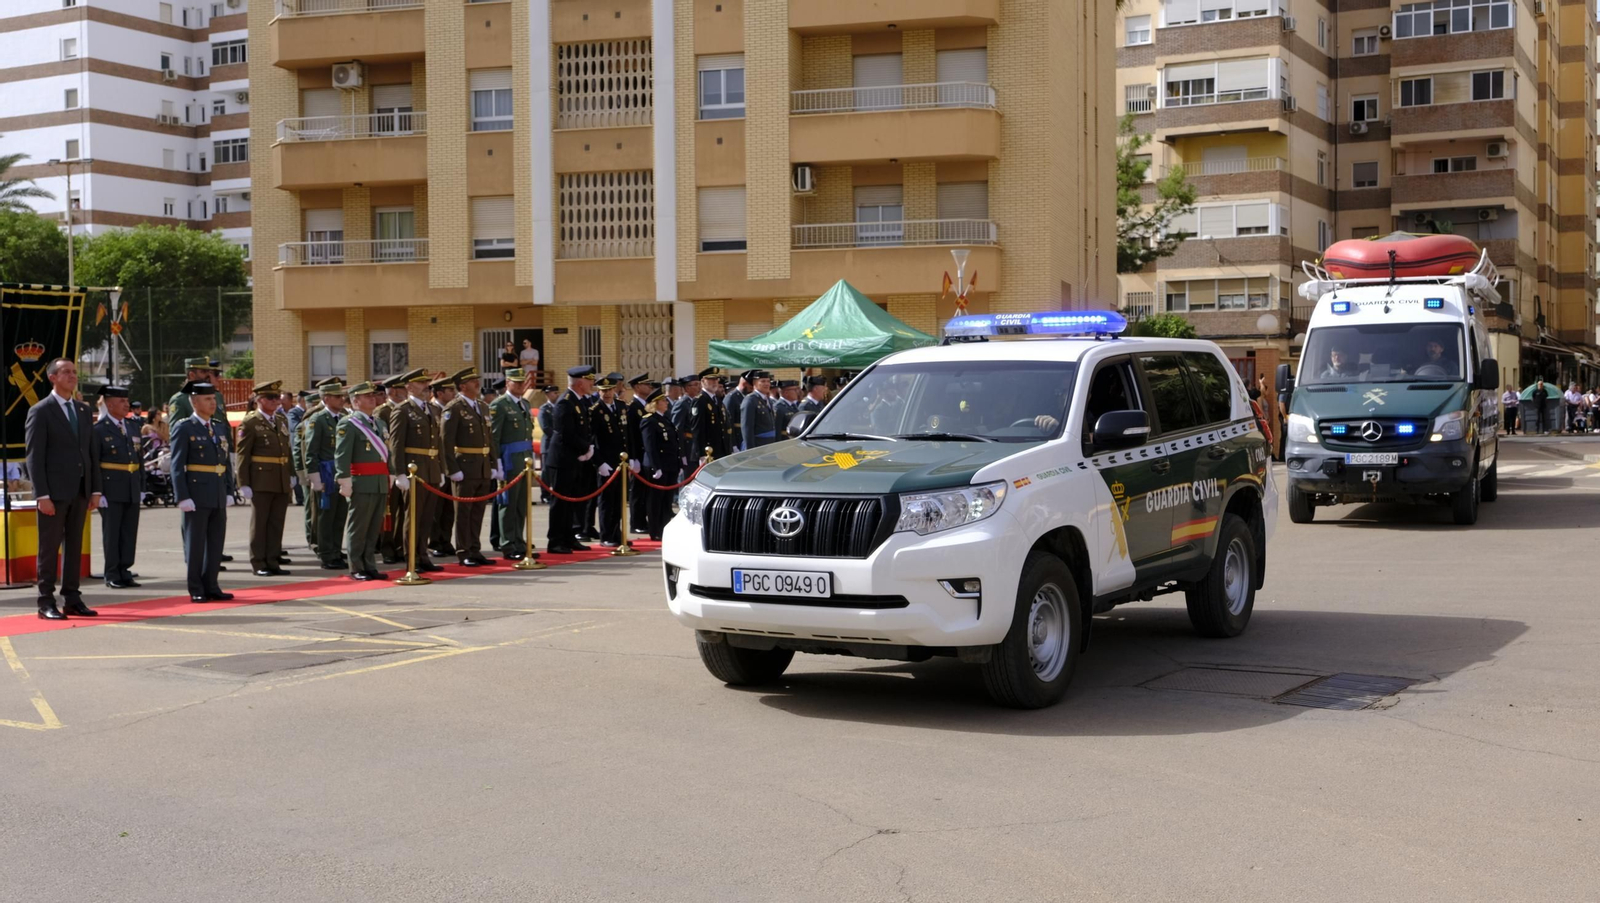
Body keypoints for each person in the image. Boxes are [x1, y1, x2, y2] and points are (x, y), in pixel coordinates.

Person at [24, 359, 101, 619]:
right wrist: (41, 495)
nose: (72, 376)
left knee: (74, 546)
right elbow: (35, 456)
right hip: (53, 493)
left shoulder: (81, 409)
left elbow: (91, 453)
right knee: (49, 548)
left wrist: (95, 489)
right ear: (52, 378)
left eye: (74, 372)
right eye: (65, 372)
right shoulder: (41, 410)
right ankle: (46, 601)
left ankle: (72, 598)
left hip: (80, 489)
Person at [171, 380, 235, 603]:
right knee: (196, 544)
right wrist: (182, 496)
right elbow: (177, 465)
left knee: (216, 543)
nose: (212, 403)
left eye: (214, 399)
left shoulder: (218, 426)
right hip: (196, 494)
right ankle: (196, 587)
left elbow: (225, 461)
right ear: (195, 402)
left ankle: (212, 584)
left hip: (217, 491)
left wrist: (229, 489)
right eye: (207, 399)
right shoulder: (184, 427)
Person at [336, 381, 397, 580]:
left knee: (373, 527)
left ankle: (369, 564)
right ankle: (356, 566)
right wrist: (344, 480)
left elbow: (388, 453)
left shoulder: (379, 423)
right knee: (359, 526)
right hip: (361, 481)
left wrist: (392, 473)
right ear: (355, 401)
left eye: (373, 395)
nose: (373, 398)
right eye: (367, 396)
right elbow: (342, 455)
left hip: (379, 481)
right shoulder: (348, 423)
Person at [387, 368, 444, 573]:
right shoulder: (402, 410)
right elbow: (396, 444)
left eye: (427, 383)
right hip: (414, 470)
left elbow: (439, 443)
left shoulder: (433, 410)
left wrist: (442, 469)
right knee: (413, 516)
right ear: (409, 387)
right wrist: (399, 472)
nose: (426, 386)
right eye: (421, 383)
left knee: (428, 516)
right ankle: (411, 556)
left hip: (431, 469)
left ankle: (422, 554)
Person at [442, 368, 499, 566]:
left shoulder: (482, 407)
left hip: (482, 466)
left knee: (477, 511)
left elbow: (489, 438)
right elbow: (445, 442)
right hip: (464, 466)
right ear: (463, 386)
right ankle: (463, 551)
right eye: (473, 381)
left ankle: (475, 549)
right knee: (464, 512)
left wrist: (493, 462)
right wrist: (452, 468)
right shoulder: (454, 408)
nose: (477, 383)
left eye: (477, 380)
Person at [235, 380, 293, 577]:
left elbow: (287, 449)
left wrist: (291, 473)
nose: (276, 401)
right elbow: (243, 454)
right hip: (260, 479)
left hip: (280, 478)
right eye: (271, 397)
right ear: (259, 400)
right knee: (260, 524)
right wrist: (243, 483)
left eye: (277, 397)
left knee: (276, 523)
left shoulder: (281, 420)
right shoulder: (250, 422)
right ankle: (259, 562)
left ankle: (272, 560)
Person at [95, 385, 143, 590]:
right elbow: (94, 463)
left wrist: (142, 486)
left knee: (129, 532)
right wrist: (98, 491)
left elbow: (138, 458)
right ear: (110, 403)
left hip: (131, 485)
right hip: (111, 488)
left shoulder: (132, 426)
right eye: (122, 401)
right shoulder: (99, 429)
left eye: (127, 401)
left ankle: (125, 570)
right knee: (112, 533)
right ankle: (112, 573)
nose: (126, 404)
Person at [546, 366, 596, 555]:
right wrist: (585, 448)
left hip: (575, 458)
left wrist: (588, 447)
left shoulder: (579, 400)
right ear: (580, 382)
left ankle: (568, 537)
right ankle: (555, 541)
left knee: (572, 501)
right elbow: (566, 433)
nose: (592, 384)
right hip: (563, 459)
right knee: (560, 502)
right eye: (589, 380)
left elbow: (584, 429)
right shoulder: (565, 402)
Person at [490, 367, 536, 561]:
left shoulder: (524, 403)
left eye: (522, 382)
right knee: (508, 503)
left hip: (524, 458)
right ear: (507, 383)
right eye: (515, 382)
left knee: (521, 503)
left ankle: (519, 539)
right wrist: (497, 463)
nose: (519, 386)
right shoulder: (499, 405)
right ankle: (508, 543)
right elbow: (494, 437)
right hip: (508, 459)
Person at [307, 381, 349, 570]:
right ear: (326, 398)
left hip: (340, 472)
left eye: (342, 396)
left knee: (340, 514)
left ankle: (335, 549)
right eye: (338, 396)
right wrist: (315, 478)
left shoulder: (343, 417)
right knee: (325, 516)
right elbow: (311, 451)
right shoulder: (318, 419)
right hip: (325, 472)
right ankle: (326, 553)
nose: (342, 400)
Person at [589, 374, 627, 548]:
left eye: (609, 390)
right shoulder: (595, 410)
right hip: (606, 462)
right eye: (603, 390)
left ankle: (616, 533)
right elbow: (593, 440)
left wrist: (631, 456)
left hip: (621, 461)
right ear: (598, 391)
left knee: (619, 500)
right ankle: (606, 535)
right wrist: (599, 463)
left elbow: (628, 435)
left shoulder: (621, 406)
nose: (607, 393)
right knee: (606, 501)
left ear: (614, 389)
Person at [375, 376, 410, 564]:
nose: (407, 391)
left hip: (406, 465)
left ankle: (400, 546)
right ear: (394, 391)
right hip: (390, 467)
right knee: (390, 510)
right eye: (403, 389)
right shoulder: (382, 412)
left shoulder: (407, 409)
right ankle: (387, 547)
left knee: (404, 510)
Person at [640, 387, 680, 541]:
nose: (666, 403)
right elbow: (650, 446)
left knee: (666, 500)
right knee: (655, 500)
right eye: (663, 401)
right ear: (655, 404)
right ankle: (655, 530)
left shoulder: (665, 418)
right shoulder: (649, 420)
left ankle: (664, 528)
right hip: (657, 466)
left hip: (670, 465)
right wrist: (656, 467)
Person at [428, 373, 458, 557]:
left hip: (451, 464)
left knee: (449, 507)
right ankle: (434, 542)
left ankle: (445, 540)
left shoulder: (452, 409)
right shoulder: (430, 410)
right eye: (449, 390)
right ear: (439, 393)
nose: (453, 393)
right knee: (435, 508)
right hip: (435, 464)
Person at [625, 374, 651, 534]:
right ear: (637, 387)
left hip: (645, 455)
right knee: (637, 492)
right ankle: (636, 523)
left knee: (644, 492)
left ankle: (643, 520)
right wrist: (633, 457)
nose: (649, 387)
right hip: (638, 456)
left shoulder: (645, 407)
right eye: (645, 384)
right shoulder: (632, 408)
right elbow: (631, 436)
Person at [535, 383, 559, 504]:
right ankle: (545, 494)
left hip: (559, 445)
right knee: (546, 472)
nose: (556, 395)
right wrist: (558, 437)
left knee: (556, 471)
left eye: (556, 392)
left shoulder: (559, 407)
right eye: (554, 393)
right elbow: (546, 428)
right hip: (549, 444)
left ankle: (555, 493)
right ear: (547, 394)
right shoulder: (544, 409)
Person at [742, 371, 778, 449]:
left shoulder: (767, 399)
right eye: (763, 381)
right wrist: (750, 450)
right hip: (758, 445)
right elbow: (747, 428)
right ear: (755, 383)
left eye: (768, 381)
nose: (767, 384)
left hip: (770, 444)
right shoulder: (750, 400)